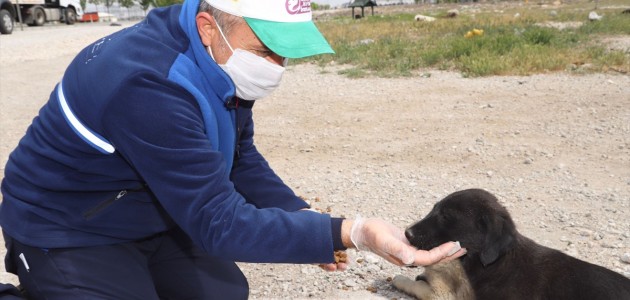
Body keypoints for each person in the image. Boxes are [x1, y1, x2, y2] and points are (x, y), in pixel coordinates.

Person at [0, 0, 465, 298]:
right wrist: (353, 232)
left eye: (285, 54)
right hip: (66, 228)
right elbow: (218, 223)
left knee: (224, 295)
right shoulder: (149, 85)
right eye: (266, 51)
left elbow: (240, 157)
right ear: (208, 26)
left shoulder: (218, 58)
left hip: (152, 210)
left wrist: (301, 216)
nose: (276, 67)